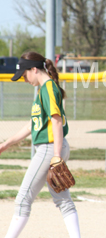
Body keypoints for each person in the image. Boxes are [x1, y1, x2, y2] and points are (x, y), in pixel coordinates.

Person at [0, 52, 81, 238]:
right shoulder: (43, 90)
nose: (24, 79)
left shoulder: (48, 89)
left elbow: (57, 121)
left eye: (24, 74)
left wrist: (56, 155)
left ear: (34, 69)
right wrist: (5, 145)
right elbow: (32, 125)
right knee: (63, 199)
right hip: (52, 148)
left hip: (49, 148)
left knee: (23, 199)